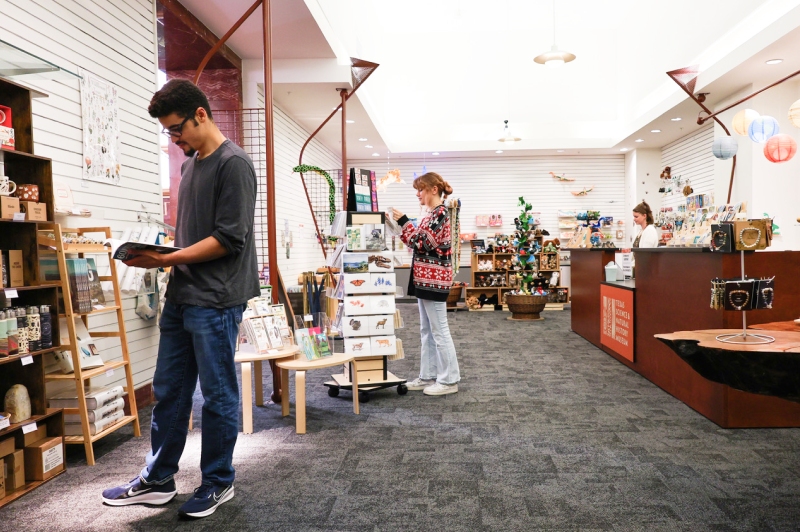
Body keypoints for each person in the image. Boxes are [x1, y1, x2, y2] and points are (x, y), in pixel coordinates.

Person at [102, 79, 259, 518]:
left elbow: (229, 239)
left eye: (176, 129)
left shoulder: (235, 165)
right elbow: (191, 233)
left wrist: (163, 260)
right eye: (168, 132)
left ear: (201, 115)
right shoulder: (190, 166)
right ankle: (158, 479)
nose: (174, 139)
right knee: (170, 390)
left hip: (218, 298)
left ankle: (217, 481)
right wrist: (160, 252)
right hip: (183, 293)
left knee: (218, 394)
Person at [392, 172, 461, 396]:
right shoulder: (431, 213)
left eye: (420, 189)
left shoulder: (440, 213)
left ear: (433, 189)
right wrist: (403, 226)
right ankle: (428, 375)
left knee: (439, 331)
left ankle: (449, 381)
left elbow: (422, 242)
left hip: (434, 281)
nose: (417, 194)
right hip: (425, 279)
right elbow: (416, 241)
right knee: (427, 331)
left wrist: (403, 222)